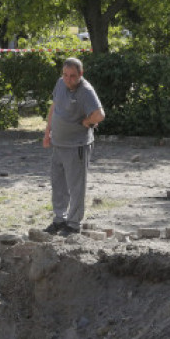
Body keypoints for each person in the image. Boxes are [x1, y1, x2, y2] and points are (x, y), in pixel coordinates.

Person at [42, 57, 104, 236]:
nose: (68, 79)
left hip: (76, 146)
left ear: (81, 74)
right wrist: (47, 133)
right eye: (65, 75)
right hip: (58, 144)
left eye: (73, 76)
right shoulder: (60, 83)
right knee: (58, 184)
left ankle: (74, 224)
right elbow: (54, 106)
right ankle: (59, 220)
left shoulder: (86, 91)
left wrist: (88, 121)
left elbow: (99, 115)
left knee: (76, 186)